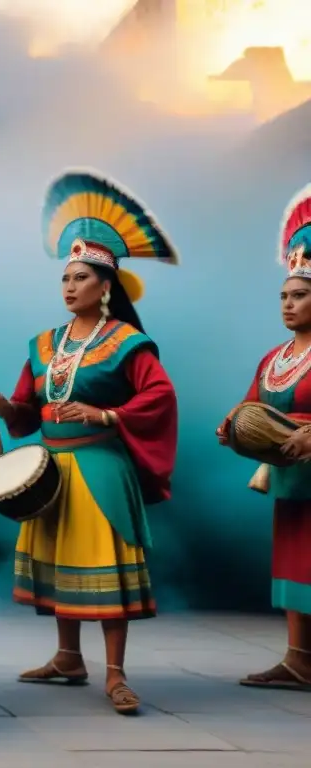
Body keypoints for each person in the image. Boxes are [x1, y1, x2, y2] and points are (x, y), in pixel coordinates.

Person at [0, 170, 179, 714]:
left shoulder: (128, 343)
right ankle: (68, 657)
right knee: (62, 562)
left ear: (105, 286)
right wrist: (6, 407)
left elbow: (159, 399)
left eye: (81, 278)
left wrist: (106, 412)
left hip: (99, 466)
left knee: (105, 570)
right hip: (51, 468)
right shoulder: (44, 344)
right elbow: (26, 410)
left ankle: (115, 674)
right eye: (64, 279)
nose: (69, 287)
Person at [218, 183, 311, 692]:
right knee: (296, 565)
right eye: (284, 296)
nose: (288, 304)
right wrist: (233, 424)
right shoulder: (275, 358)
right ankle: (298, 659)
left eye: (299, 295)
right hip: (290, 477)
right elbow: (252, 400)